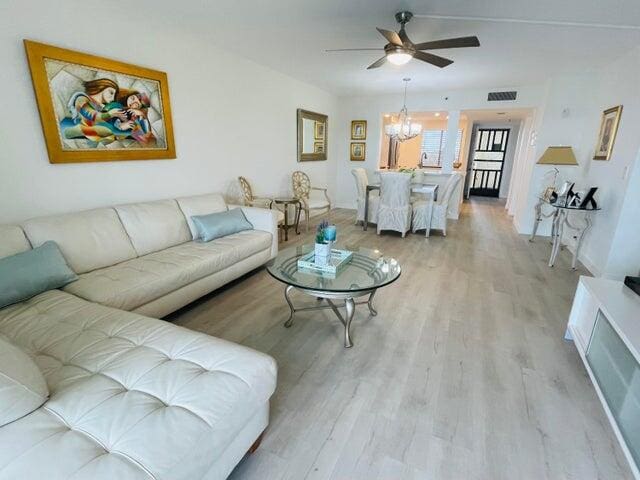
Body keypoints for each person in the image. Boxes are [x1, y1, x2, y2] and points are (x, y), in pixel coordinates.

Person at [60, 78, 134, 145]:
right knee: (105, 131)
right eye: (111, 93)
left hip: (99, 131)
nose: (112, 97)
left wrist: (120, 125)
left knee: (107, 132)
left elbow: (109, 121)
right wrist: (110, 114)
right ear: (101, 87)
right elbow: (91, 115)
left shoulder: (103, 106)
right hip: (82, 128)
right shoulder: (82, 98)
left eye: (114, 95)